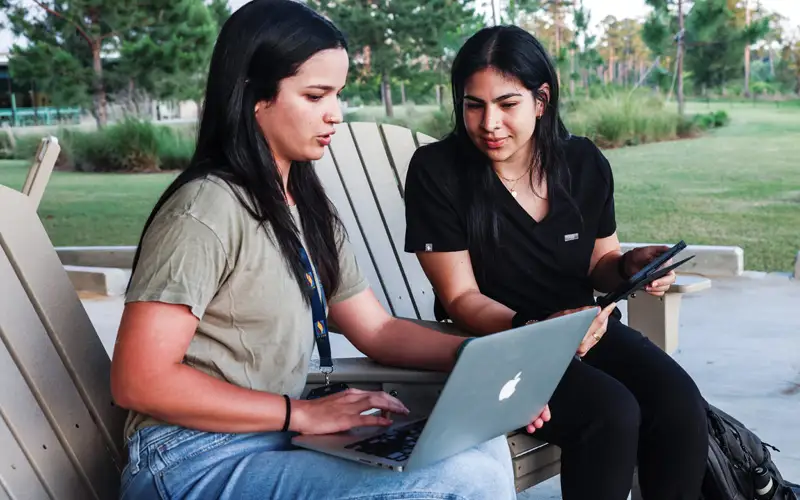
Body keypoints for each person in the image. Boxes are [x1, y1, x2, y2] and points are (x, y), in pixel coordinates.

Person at [110, 2, 530, 498]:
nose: (335, 114)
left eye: (337, 94)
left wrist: (484, 360)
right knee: (463, 479)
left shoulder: (303, 205)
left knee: (480, 444)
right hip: (190, 460)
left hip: (274, 440)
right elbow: (139, 380)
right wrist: (302, 412)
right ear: (252, 97)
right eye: (315, 95)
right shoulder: (206, 209)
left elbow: (377, 329)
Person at [403, 25, 709, 500]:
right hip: (498, 344)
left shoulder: (581, 161)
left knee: (679, 402)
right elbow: (460, 298)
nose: (489, 123)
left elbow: (600, 262)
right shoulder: (437, 172)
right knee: (610, 412)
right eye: (474, 105)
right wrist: (535, 326)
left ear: (541, 100)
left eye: (508, 104)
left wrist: (629, 266)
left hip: (584, 331)